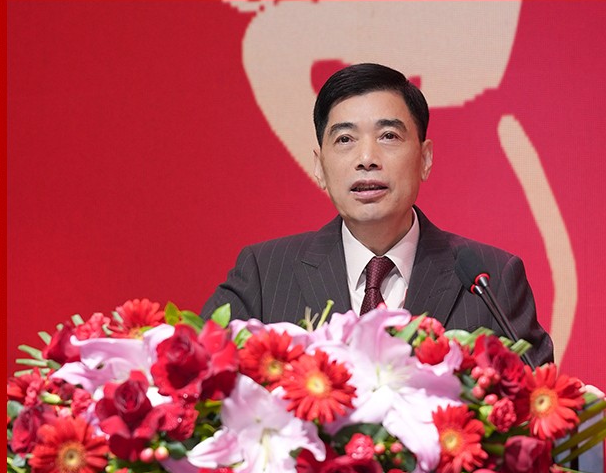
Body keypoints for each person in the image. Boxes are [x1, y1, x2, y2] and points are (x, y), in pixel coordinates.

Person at [201, 63, 553, 363]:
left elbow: (542, 402)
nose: (366, 158)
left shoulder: (491, 279)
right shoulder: (264, 274)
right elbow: (200, 385)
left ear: (425, 158)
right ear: (320, 167)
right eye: (345, 139)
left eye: (388, 136)